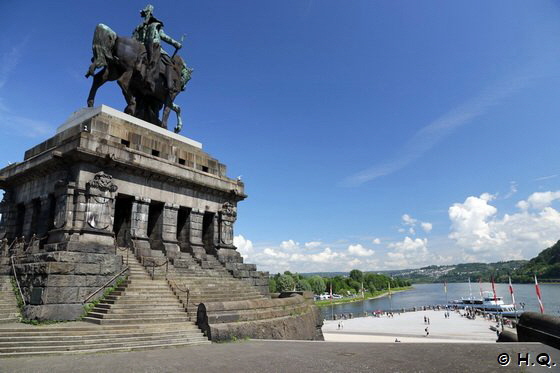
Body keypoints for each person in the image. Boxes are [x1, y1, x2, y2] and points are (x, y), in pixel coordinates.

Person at [132, 4, 183, 92]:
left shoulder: (139, 27)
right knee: (169, 62)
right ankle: (169, 85)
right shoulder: (155, 24)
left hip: (139, 46)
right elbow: (163, 36)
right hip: (153, 45)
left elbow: (133, 38)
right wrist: (176, 43)